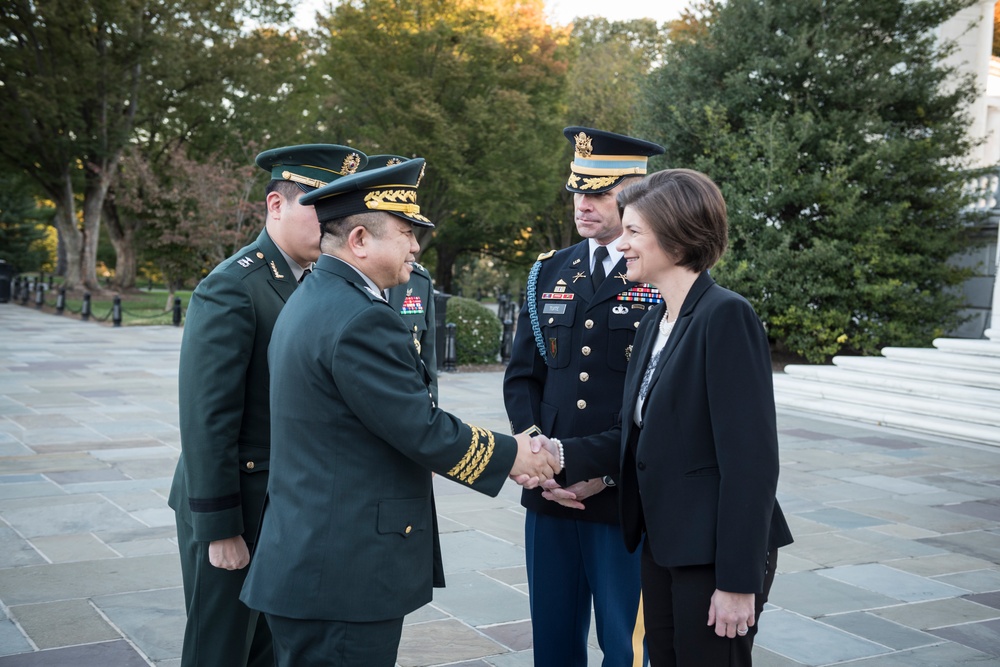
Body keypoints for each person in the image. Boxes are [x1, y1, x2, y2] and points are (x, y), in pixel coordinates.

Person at [239, 158, 560, 667]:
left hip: (314, 561)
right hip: (344, 574)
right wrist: (517, 454)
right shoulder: (361, 318)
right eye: (407, 233)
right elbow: (421, 428)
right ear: (361, 240)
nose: (416, 247)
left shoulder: (315, 298)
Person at [542, 169, 794, 666]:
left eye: (634, 233)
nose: (623, 245)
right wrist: (559, 453)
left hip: (714, 554)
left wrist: (737, 583)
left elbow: (752, 464)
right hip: (663, 543)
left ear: (677, 238)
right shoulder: (658, 319)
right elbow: (635, 434)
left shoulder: (725, 316)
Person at [168, 144, 368, 667]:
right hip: (238, 503)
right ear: (275, 205)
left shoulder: (314, 282)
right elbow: (207, 420)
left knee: (270, 650)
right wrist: (220, 529)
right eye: (318, 210)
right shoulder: (233, 287)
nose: (331, 225)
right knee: (221, 649)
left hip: (287, 505)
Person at [503, 126, 664, 666]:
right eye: (577, 190)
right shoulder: (549, 271)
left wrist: (609, 471)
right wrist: (535, 458)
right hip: (548, 496)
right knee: (552, 641)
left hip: (621, 498)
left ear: (635, 193)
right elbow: (522, 377)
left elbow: (663, 399)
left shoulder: (662, 276)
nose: (583, 204)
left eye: (598, 192)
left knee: (624, 644)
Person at [367, 155, 439, 404]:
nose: (415, 246)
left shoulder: (418, 280)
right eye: (404, 232)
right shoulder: (328, 282)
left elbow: (427, 363)